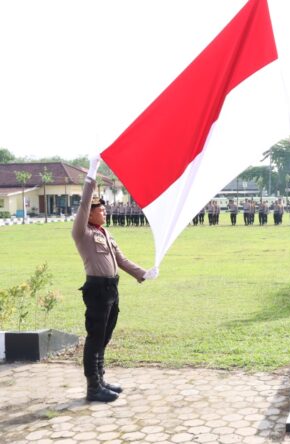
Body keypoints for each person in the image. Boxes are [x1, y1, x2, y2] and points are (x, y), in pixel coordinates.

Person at [72, 156, 158, 402]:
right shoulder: (83, 232)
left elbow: (121, 259)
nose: (105, 211)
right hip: (97, 290)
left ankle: (100, 378)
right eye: (101, 209)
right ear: (90, 214)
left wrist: (143, 273)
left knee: (105, 336)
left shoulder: (105, 233)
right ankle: (93, 388)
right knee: (95, 337)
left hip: (111, 289)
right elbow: (83, 204)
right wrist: (91, 175)